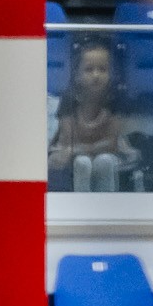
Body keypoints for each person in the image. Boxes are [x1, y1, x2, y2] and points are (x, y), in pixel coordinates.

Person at [48, 38, 138, 192]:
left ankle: (106, 203)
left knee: (104, 161)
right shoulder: (68, 99)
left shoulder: (116, 100)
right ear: (77, 74)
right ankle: (80, 203)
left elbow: (111, 144)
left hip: (108, 154)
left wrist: (82, 149)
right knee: (82, 162)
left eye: (102, 69)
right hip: (71, 156)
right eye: (89, 70)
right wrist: (80, 151)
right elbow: (68, 143)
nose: (96, 75)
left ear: (111, 73)